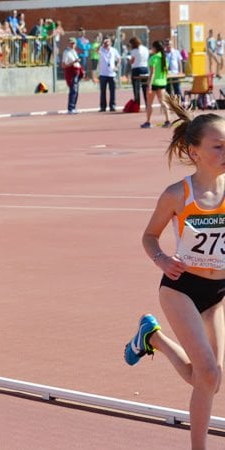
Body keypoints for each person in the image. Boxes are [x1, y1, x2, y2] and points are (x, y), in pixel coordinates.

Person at [123, 97, 225, 450]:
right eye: (218, 146)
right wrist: (162, 259)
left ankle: (154, 340)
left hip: (218, 295)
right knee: (209, 375)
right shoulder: (177, 195)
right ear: (194, 152)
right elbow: (149, 236)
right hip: (182, 288)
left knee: (209, 378)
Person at [142, 40, 171, 129]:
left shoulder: (153, 58)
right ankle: (168, 120)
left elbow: (152, 73)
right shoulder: (164, 58)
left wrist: (149, 84)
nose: (151, 49)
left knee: (149, 103)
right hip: (162, 82)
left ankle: (148, 121)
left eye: (152, 47)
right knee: (163, 102)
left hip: (154, 82)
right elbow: (166, 71)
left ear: (155, 48)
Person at [97, 35, 120, 112]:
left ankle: (112, 106)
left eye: (108, 41)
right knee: (103, 91)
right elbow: (96, 51)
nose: (106, 43)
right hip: (103, 74)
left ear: (110, 42)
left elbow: (119, 58)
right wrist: (101, 43)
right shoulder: (101, 49)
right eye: (105, 41)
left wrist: (117, 66)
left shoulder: (113, 50)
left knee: (112, 91)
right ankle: (103, 107)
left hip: (111, 74)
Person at [62, 37, 82, 114]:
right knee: (73, 91)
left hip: (76, 72)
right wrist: (74, 62)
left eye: (74, 43)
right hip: (71, 73)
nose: (72, 45)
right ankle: (71, 108)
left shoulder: (74, 51)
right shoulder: (66, 52)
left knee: (76, 91)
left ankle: (73, 107)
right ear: (68, 43)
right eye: (71, 43)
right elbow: (63, 65)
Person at [129, 36, 150, 108]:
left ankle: (137, 105)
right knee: (145, 87)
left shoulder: (134, 51)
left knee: (136, 87)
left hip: (136, 69)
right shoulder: (145, 49)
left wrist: (129, 61)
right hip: (144, 68)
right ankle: (147, 104)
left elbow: (132, 61)